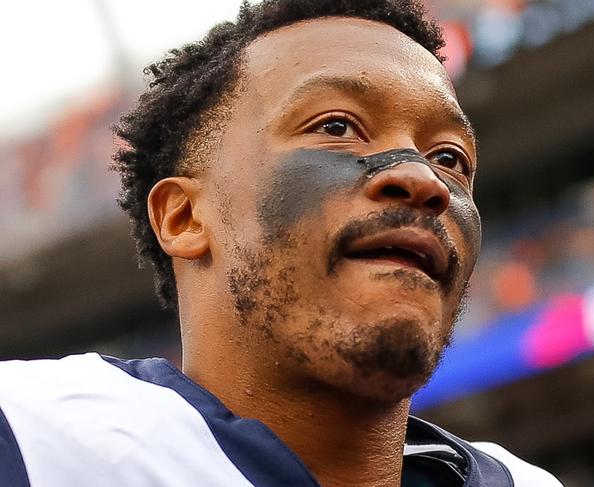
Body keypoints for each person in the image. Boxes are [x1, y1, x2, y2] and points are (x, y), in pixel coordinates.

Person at [0, 1, 564, 485]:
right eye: (337, 126)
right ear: (185, 217)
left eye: (451, 159)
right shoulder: (35, 437)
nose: (424, 180)